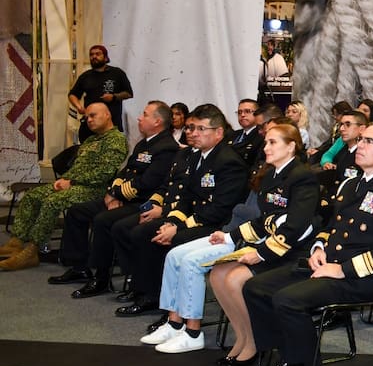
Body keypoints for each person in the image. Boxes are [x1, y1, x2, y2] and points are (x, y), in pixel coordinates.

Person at [242, 121, 373, 366]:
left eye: (369, 141)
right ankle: (290, 360)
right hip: (326, 265)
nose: (360, 146)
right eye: (360, 140)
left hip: (359, 277)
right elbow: (330, 225)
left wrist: (341, 269)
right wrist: (320, 246)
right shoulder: (351, 185)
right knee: (256, 287)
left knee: (287, 300)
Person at [139, 124, 320, 356]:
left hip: (291, 252)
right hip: (269, 245)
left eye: (273, 142)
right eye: (266, 142)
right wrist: (229, 236)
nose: (266, 147)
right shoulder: (271, 175)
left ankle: (255, 341)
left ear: (292, 146)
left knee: (233, 280)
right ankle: (243, 337)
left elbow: (296, 226)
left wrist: (261, 253)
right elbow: (263, 220)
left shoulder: (301, 177)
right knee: (217, 275)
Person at [111, 104, 249, 316]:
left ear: (219, 133)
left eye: (201, 129)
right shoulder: (197, 156)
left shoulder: (229, 162)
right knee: (144, 233)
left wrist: (179, 228)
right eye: (192, 129)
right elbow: (185, 197)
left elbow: (218, 210)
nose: (194, 133)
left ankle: (171, 311)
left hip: (216, 226)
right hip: (195, 219)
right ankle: (149, 294)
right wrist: (173, 223)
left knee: (169, 241)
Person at [50, 101, 178, 291]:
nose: (139, 118)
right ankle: (79, 266)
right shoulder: (145, 143)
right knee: (77, 212)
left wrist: (118, 194)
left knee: (103, 220)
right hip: (124, 198)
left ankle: (101, 278)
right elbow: (126, 172)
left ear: (157, 121)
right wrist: (113, 193)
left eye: (144, 114)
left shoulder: (167, 147)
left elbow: (147, 183)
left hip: (143, 202)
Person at [0, 103, 128, 271]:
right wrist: (64, 180)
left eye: (93, 115)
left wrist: (71, 182)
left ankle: (32, 251)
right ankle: (16, 242)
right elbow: (77, 168)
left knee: (52, 201)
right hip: (73, 184)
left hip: (94, 189)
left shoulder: (116, 140)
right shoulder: (91, 140)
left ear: (107, 115)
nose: (89, 120)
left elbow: (103, 173)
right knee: (33, 195)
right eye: (87, 117)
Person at [68, 45, 133, 138]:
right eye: (91, 54)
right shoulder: (85, 76)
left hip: (111, 125)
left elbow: (129, 93)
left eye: (98, 54)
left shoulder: (117, 73)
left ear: (105, 57)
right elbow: (72, 94)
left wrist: (114, 97)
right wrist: (79, 107)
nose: (94, 57)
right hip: (90, 127)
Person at [227, 98, 263, 166]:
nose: (242, 115)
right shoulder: (232, 135)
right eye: (239, 112)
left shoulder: (261, 136)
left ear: (258, 113)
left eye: (247, 111)